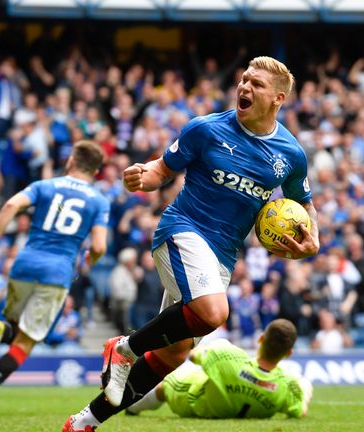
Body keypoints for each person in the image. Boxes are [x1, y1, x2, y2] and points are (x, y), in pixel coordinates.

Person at [64, 56, 319, 431]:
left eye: (257, 84)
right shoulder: (206, 129)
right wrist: (142, 177)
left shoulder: (290, 155)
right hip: (182, 230)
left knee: (173, 355)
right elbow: (161, 170)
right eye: (244, 79)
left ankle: (84, 422)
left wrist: (312, 239)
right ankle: (123, 348)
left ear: (278, 99)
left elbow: (305, 204)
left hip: (223, 255)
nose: (245, 87)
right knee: (215, 314)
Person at [0, 140, 109, 416]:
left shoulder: (45, 185)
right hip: (57, 272)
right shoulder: (99, 201)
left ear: (71, 162)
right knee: (25, 344)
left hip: (24, 264)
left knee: (14, 326)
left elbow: (10, 205)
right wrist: (90, 259)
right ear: (96, 171)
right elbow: (99, 247)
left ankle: (1, 329)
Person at [126, 319, 313, 420]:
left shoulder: (228, 355)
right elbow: (300, 409)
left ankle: (132, 407)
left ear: (261, 339)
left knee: (169, 381)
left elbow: (193, 355)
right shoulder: (286, 385)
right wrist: (305, 386)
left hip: (200, 406)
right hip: (253, 407)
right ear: (288, 353)